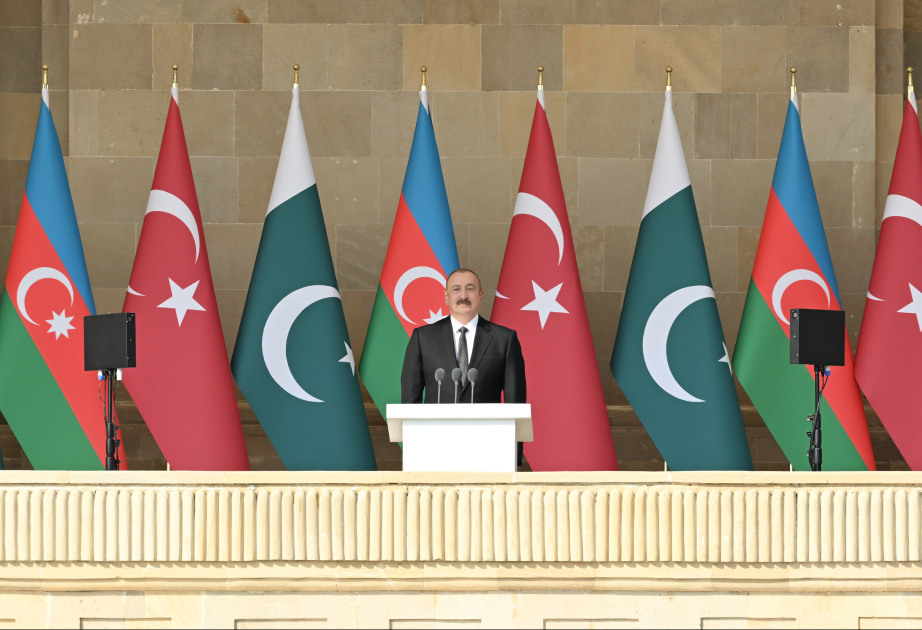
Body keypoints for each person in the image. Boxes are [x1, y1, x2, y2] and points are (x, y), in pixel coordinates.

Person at [401, 268, 528, 465]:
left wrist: (514, 453)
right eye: (456, 289)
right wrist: (412, 448)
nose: (463, 296)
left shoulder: (504, 339)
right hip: (433, 448)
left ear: (480, 295)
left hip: (489, 448)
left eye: (470, 289)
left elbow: (515, 400)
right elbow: (411, 397)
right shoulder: (422, 338)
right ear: (446, 296)